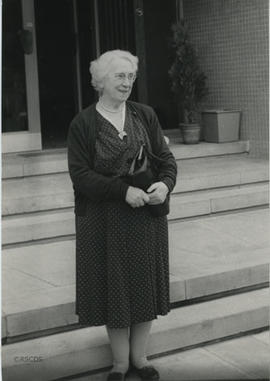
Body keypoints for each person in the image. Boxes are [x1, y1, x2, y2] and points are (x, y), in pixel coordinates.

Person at [67, 50, 177, 381]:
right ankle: (119, 363)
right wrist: (121, 191)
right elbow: (80, 175)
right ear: (101, 81)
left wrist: (165, 185)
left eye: (130, 76)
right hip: (105, 223)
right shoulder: (83, 123)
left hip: (146, 221)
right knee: (113, 288)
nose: (127, 82)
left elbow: (167, 160)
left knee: (143, 285)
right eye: (119, 76)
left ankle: (139, 358)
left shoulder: (145, 115)